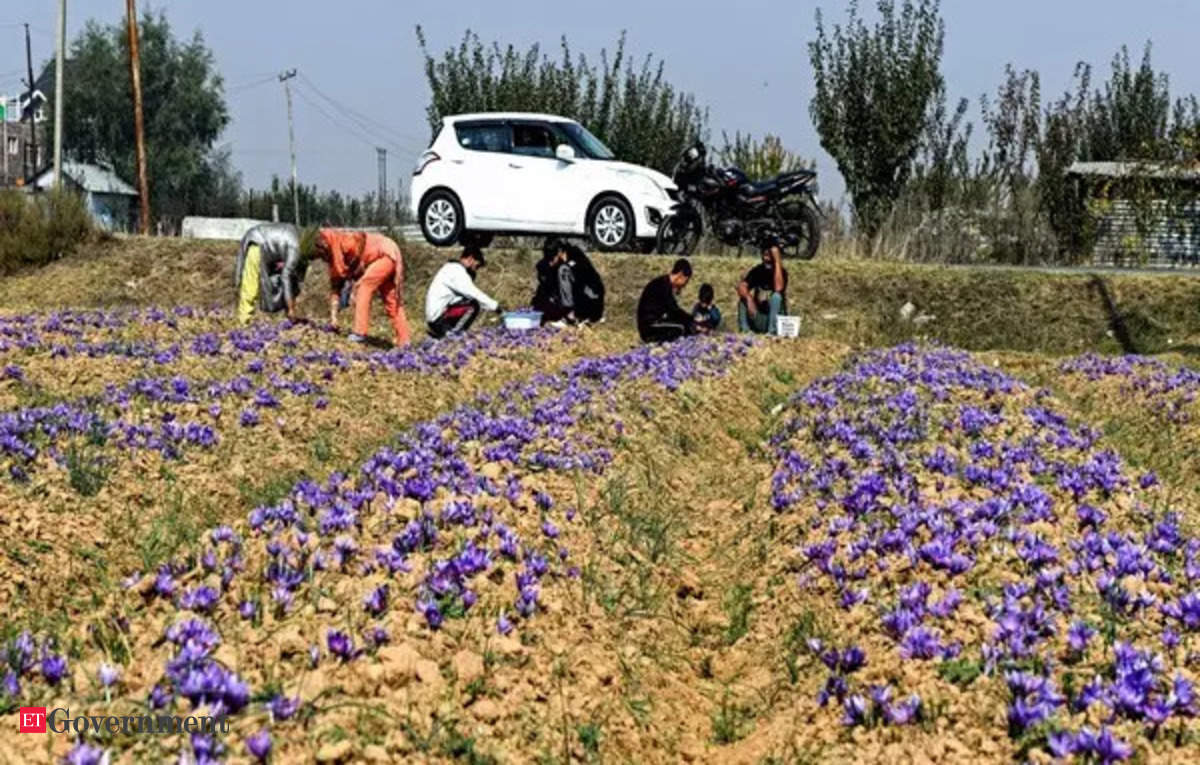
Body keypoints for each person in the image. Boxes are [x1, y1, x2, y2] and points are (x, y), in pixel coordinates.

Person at [313, 228, 412, 347]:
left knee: (363, 287)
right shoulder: (334, 262)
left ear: (327, 245)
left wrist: (356, 280)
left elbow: (361, 239)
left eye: (324, 253)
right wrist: (334, 318)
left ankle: (360, 332)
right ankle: (405, 340)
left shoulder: (343, 240)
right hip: (382, 259)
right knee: (391, 300)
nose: (324, 258)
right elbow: (335, 289)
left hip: (384, 253)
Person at [233, 223, 307, 325]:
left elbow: (293, 282)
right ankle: (243, 321)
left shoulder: (299, 245)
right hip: (258, 242)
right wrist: (291, 309)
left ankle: (287, 318)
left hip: (271, 248)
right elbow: (286, 277)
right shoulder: (296, 247)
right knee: (251, 286)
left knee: (283, 283)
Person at [425, 246, 503, 339]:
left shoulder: (451, 268)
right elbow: (473, 293)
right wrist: (496, 307)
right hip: (439, 320)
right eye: (476, 266)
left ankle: (450, 334)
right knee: (473, 305)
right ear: (470, 259)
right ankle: (453, 336)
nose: (475, 270)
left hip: (437, 316)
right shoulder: (456, 271)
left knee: (468, 302)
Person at [531, 239, 606, 325]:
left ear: (559, 252)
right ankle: (568, 313)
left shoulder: (576, 256)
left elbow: (583, 283)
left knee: (563, 270)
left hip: (591, 298)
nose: (550, 262)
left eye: (551, 258)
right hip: (579, 297)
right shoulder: (559, 262)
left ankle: (570, 315)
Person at [737, 235, 788, 335]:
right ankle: (745, 330)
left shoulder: (782, 272)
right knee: (743, 299)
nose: (767, 259)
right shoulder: (757, 271)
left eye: (770, 256)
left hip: (776, 319)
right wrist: (749, 298)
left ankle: (772, 331)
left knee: (776, 297)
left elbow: (778, 288)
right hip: (760, 317)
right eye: (765, 255)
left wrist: (777, 261)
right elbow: (741, 287)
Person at [636, 258, 696, 343]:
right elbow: (673, 310)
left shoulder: (664, 284)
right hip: (650, 326)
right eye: (685, 281)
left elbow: (672, 310)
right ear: (680, 275)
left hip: (653, 322)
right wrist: (692, 319)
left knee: (684, 325)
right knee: (681, 329)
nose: (685, 285)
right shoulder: (662, 286)